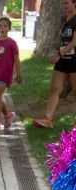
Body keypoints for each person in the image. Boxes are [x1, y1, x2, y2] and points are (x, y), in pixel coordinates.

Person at [33, 0, 76, 129]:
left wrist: (58, 53)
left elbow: (74, 42)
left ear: (75, 3)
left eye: (67, 3)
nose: (64, 6)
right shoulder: (63, 19)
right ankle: (47, 119)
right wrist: (57, 53)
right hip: (63, 60)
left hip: (74, 60)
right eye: (62, 3)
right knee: (55, 89)